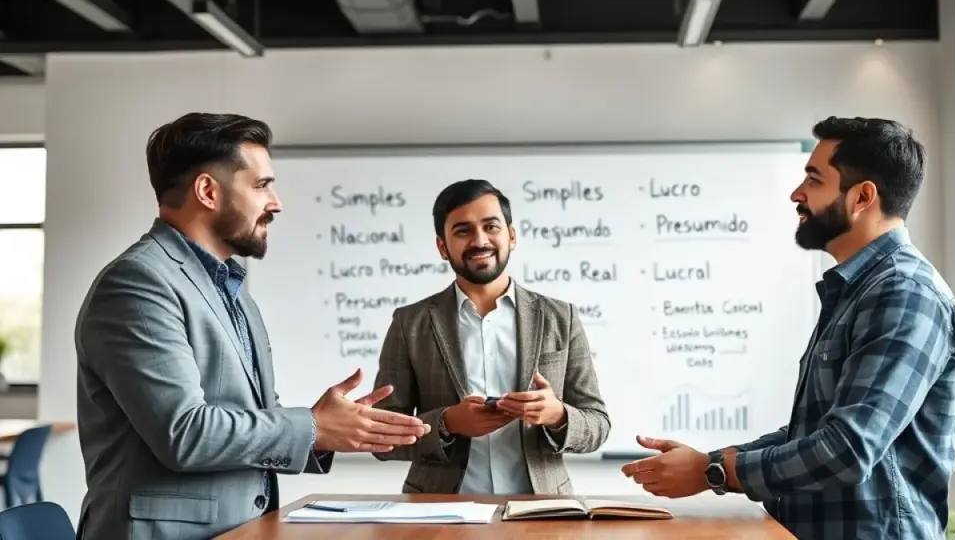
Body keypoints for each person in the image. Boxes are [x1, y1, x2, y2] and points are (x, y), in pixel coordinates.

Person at [74, 113, 429, 540]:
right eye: (261, 185)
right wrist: (313, 426)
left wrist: (332, 431)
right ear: (208, 191)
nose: (275, 202)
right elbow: (184, 432)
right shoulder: (138, 283)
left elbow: (251, 417)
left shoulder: (231, 286)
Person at [621, 117, 955, 540]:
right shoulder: (856, 289)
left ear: (862, 196)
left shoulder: (904, 294)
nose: (796, 195)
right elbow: (814, 432)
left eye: (814, 180)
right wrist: (708, 462)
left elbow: (847, 450)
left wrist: (714, 472)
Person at [371, 179, 611, 494]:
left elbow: (597, 425)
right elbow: (380, 436)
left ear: (511, 236)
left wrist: (557, 415)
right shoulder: (410, 323)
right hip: (439, 513)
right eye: (462, 230)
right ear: (443, 247)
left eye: (491, 226)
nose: (479, 240)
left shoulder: (560, 318)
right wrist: (447, 423)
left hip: (542, 512)